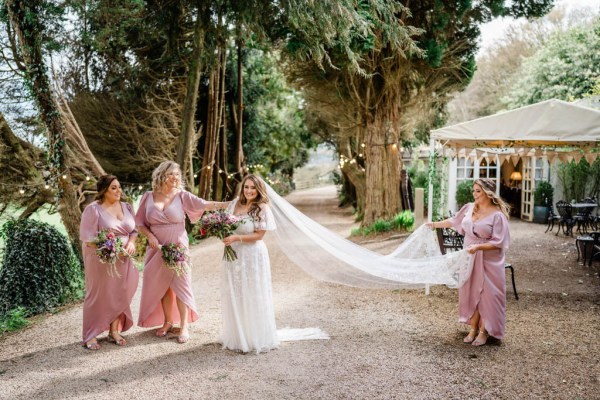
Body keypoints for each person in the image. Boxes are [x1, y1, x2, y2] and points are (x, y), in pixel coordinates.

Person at [136, 161, 229, 344]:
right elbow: (139, 222)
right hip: (157, 248)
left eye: (177, 175)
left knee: (182, 285)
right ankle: (168, 321)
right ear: (161, 175)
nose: (175, 177)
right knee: (162, 286)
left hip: (178, 246)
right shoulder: (148, 197)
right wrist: (150, 236)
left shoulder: (182, 196)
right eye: (171, 174)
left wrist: (233, 203)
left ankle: (184, 324)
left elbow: (206, 204)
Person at [427, 178, 511, 346]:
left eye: (478, 191)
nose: (475, 194)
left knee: (487, 296)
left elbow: (499, 242)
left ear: (488, 193)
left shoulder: (498, 216)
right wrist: (434, 224)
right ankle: (472, 328)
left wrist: (478, 248)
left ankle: (484, 331)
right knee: (471, 292)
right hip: (469, 258)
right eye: (474, 191)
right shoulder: (469, 208)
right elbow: (454, 221)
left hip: (489, 261)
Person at [79, 175, 139, 350]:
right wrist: (112, 246)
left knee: (120, 292)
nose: (118, 190)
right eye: (114, 188)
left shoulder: (127, 207)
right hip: (101, 257)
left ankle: (114, 331)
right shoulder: (93, 209)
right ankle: (90, 334)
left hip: (124, 258)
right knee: (97, 294)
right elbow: (88, 239)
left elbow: (133, 230)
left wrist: (131, 242)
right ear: (104, 190)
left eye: (119, 187)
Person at [221, 174, 279, 353]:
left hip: (252, 255)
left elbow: (259, 235)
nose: (249, 191)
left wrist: (236, 237)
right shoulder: (234, 203)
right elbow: (224, 224)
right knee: (236, 292)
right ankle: (238, 335)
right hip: (233, 255)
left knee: (252, 292)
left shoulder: (261, 208)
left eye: (253, 188)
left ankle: (255, 337)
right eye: (246, 187)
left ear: (259, 189)